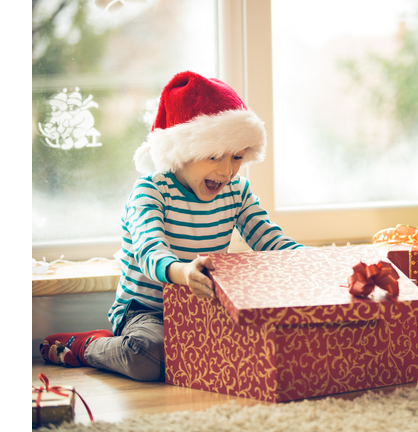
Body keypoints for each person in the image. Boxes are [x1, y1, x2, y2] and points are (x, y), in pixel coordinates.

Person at [39, 71, 304, 381]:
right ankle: (87, 346)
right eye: (213, 156)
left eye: (236, 156)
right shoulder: (151, 191)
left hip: (205, 306)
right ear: (181, 153)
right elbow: (150, 251)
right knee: (146, 358)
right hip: (147, 311)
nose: (226, 170)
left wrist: (321, 263)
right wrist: (183, 272)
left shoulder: (237, 192)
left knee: (270, 345)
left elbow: (272, 241)